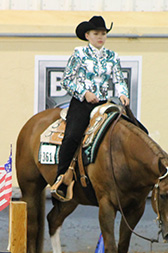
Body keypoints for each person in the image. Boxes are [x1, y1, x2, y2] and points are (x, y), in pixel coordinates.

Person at [51, 15, 130, 201]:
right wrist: (84, 93)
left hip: (104, 103)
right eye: (96, 33)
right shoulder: (79, 54)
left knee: (131, 128)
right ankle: (60, 178)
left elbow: (118, 79)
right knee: (72, 135)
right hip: (82, 103)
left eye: (103, 33)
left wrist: (123, 93)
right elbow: (67, 80)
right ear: (87, 35)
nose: (100, 37)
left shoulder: (113, 56)